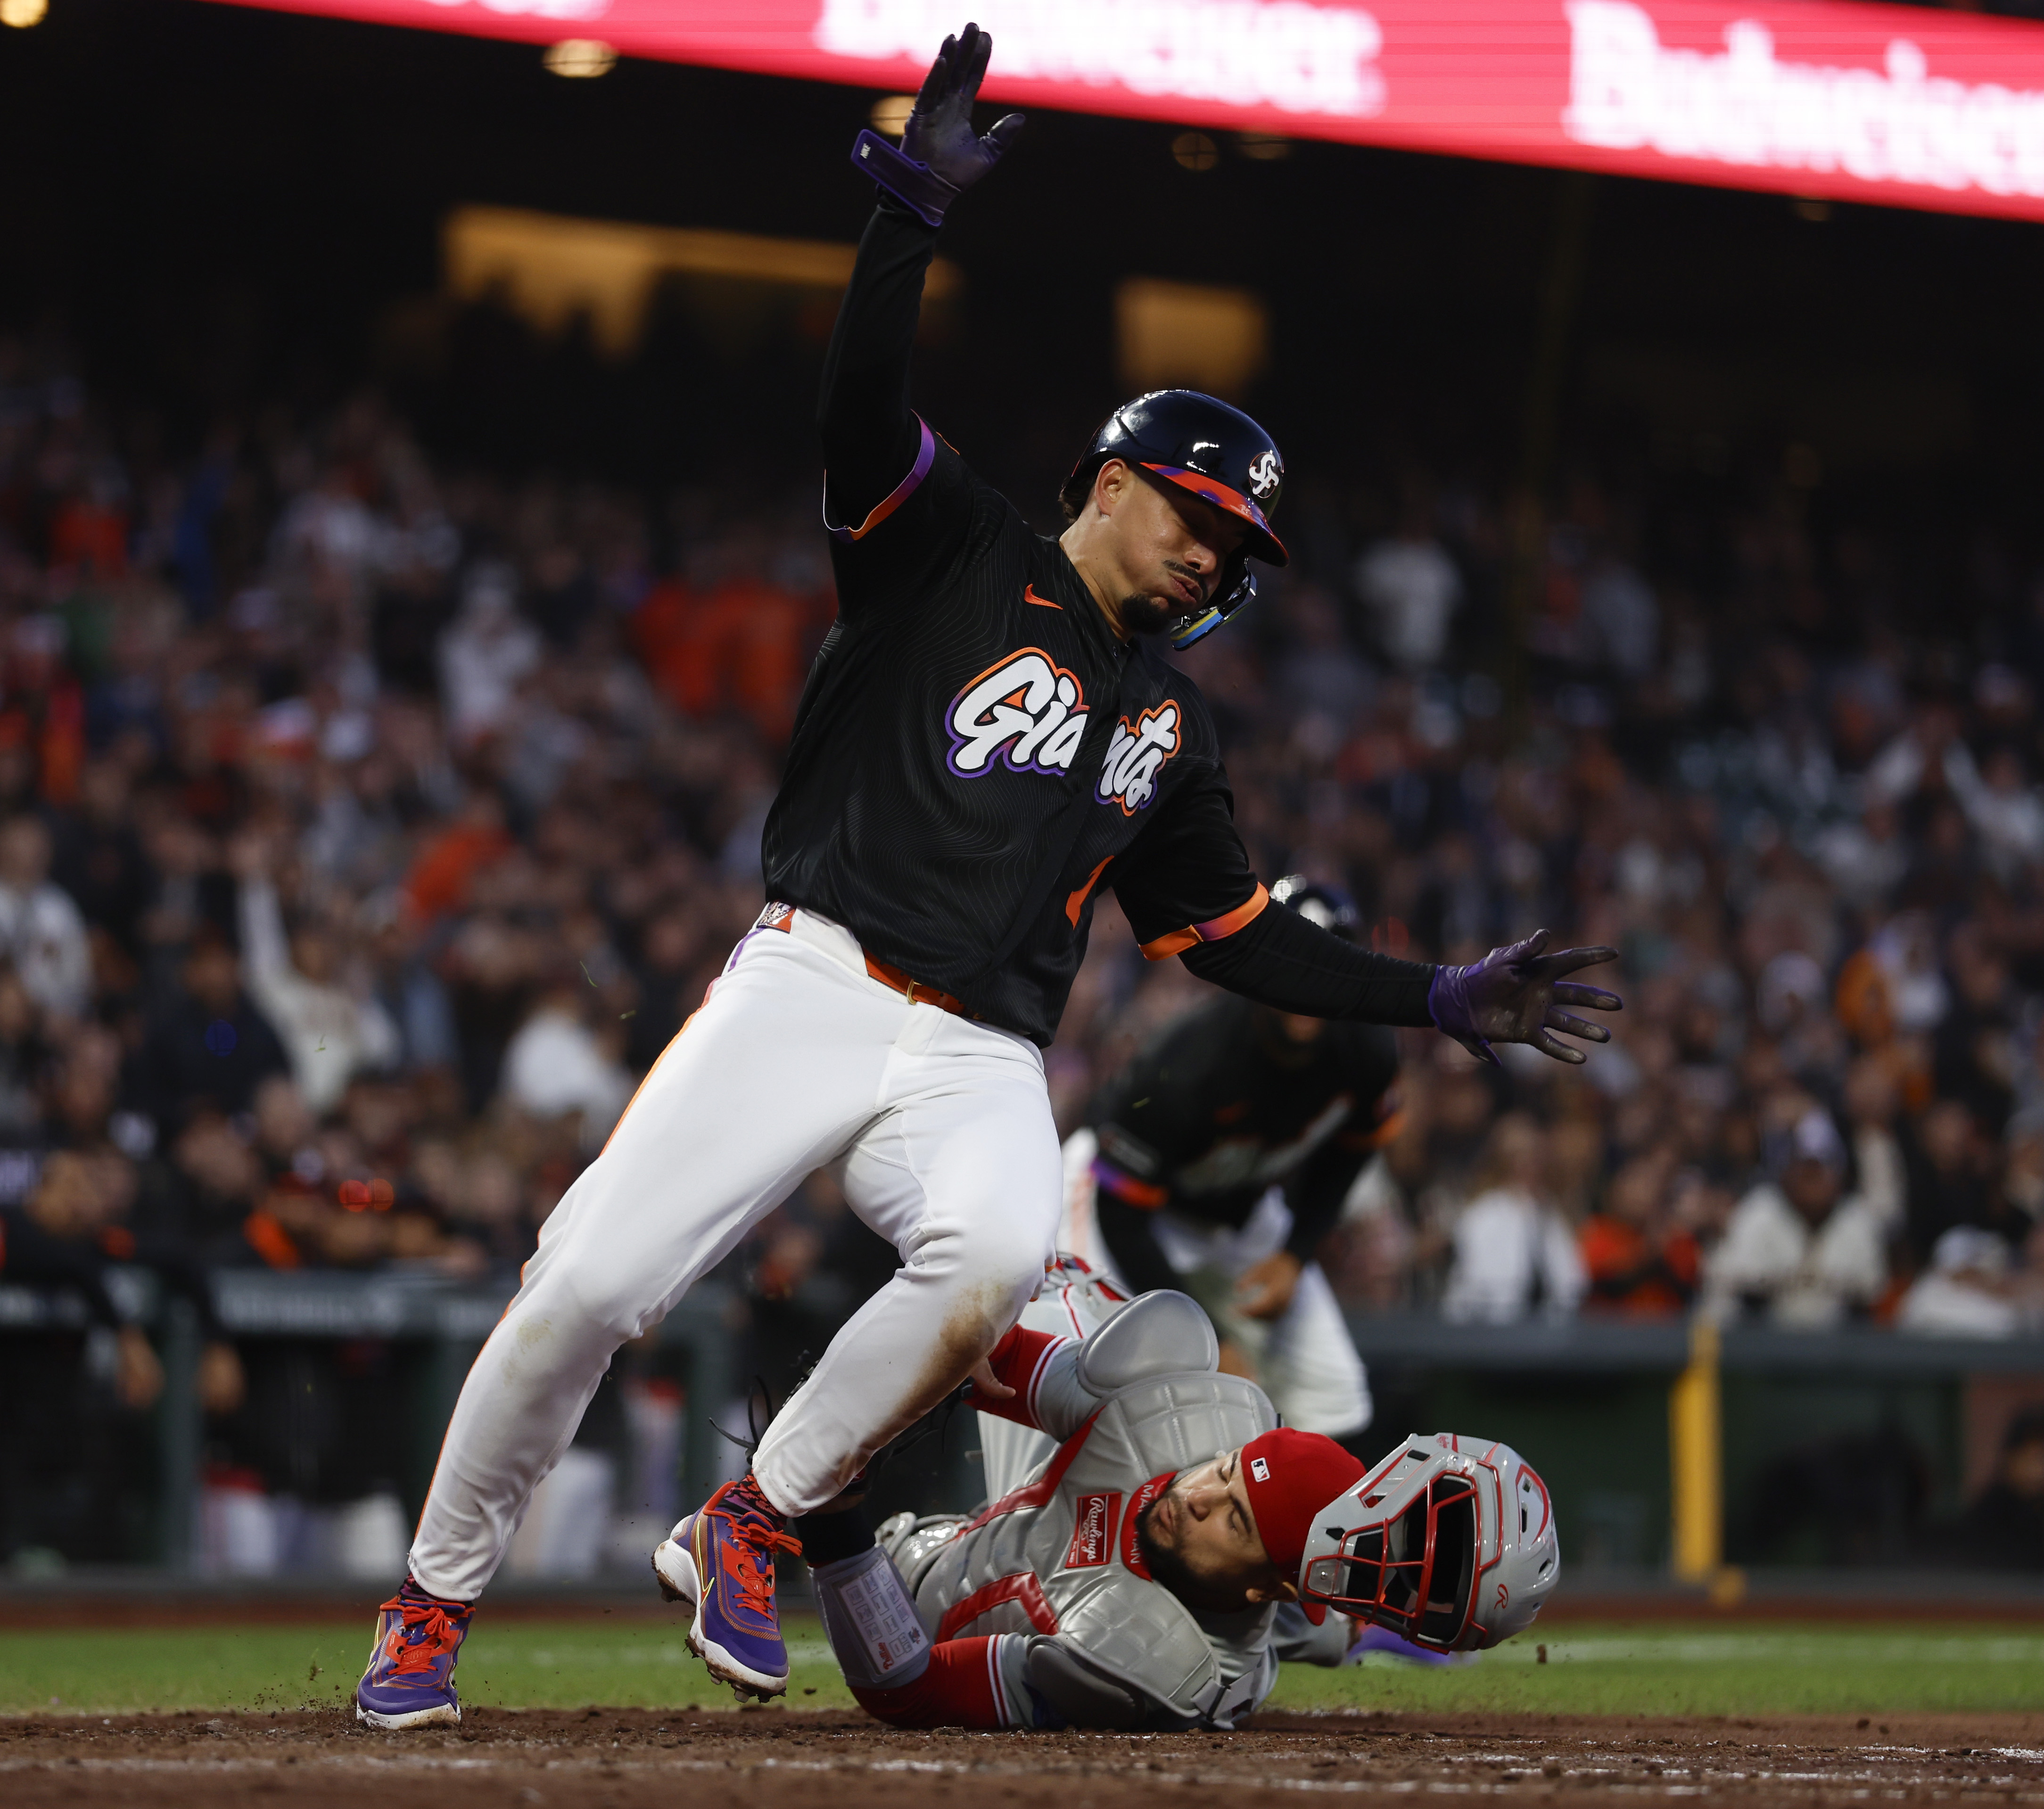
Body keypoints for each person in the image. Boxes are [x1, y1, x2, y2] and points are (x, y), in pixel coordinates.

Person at [354, 23, 1621, 1731]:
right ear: (1112, 478)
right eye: (1196, 519)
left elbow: (1234, 936)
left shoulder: (1173, 719)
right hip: (814, 972)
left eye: (1234, 549)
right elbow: (860, 409)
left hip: (980, 1053)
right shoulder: (955, 549)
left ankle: (756, 1514)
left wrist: (1435, 993)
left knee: (990, 1257)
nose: (1210, 555)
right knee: (583, 1283)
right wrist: (903, 225)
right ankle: (432, 1606)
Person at [767, 1280, 1557, 1729]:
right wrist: (888, 1371)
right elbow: (994, 1355)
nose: (1199, 1491)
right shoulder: (1194, 1411)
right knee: (1059, 1290)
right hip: (1046, 1498)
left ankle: (1334, 1629)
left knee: (1269, 1627)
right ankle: (1339, 1626)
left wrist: (835, 1524)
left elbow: (903, 1687)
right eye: (1227, 1470)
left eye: (1234, 1515)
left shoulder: (1151, 1661)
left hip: (981, 1593)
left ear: (1265, 1579)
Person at [1063, 877, 1395, 1443]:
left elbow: (1353, 1151)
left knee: (1335, 1398)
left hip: (1238, 1207)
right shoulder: (1190, 1064)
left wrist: (1295, 1255)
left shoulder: (1367, 1052)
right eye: (1292, 958)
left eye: (1326, 959)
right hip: (1112, 1200)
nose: (1308, 981)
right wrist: (1209, 1340)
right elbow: (1122, 1218)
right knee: (1078, 1394)